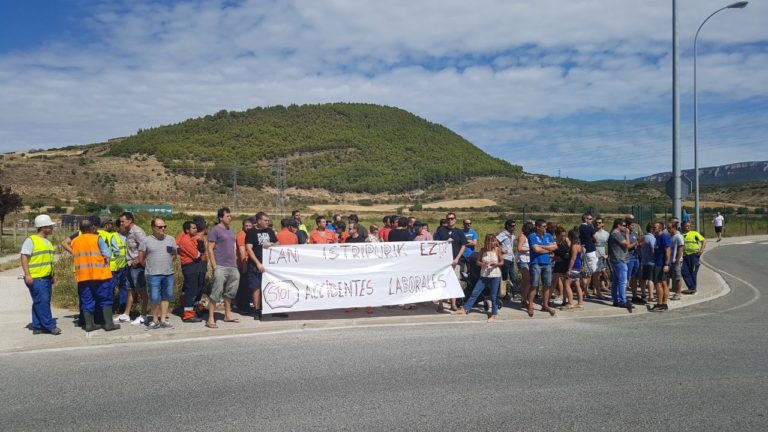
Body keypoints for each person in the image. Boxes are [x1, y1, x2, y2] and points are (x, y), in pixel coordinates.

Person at [71, 219, 119, 332]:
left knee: (87, 300)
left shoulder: (75, 241)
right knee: (105, 299)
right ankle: (108, 324)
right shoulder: (97, 238)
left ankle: (89, 325)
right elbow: (107, 253)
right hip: (100, 275)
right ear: (92, 227)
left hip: (83, 276)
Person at [20, 214, 61, 335]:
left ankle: (37, 326)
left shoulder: (47, 242)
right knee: (42, 301)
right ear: (43, 227)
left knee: (40, 301)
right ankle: (49, 326)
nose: (52, 228)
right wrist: (27, 274)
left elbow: (48, 261)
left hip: (46, 277)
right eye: (50, 226)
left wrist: (52, 275)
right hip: (36, 278)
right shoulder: (31, 240)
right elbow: (24, 257)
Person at [138, 217, 177, 329]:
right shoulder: (146, 240)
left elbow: (174, 254)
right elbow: (141, 257)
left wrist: (169, 263)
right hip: (153, 274)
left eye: (164, 226)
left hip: (168, 274)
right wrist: (149, 267)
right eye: (160, 227)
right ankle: (155, 320)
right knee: (154, 298)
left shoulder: (171, 239)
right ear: (153, 228)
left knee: (166, 297)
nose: (163, 228)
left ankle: (163, 320)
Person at [455, 234, 503, 322]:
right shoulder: (482, 250)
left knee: (493, 296)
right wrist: (483, 264)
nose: (494, 242)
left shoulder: (497, 250)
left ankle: (494, 314)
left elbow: (501, 262)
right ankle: (465, 309)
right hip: (484, 275)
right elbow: (478, 262)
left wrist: (496, 264)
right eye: (493, 241)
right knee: (475, 292)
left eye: (495, 241)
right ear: (488, 241)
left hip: (495, 275)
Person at [206, 207, 240, 328]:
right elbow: (210, 249)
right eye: (227, 216)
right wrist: (214, 266)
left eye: (230, 216)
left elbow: (234, 247)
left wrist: (235, 260)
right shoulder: (215, 230)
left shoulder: (231, 230)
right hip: (220, 265)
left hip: (232, 265)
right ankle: (210, 318)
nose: (230, 218)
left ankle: (227, 314)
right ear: (221, 217)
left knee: (230, 291)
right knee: (216, 292)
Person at [118, 212, 150, 325]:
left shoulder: (138, 231)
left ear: (130, 220)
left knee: (141, 290)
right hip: (130, 264)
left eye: (123, 221)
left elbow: (146, 247)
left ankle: (143, 315)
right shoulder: (127, 232)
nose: (121, 223)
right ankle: (126, 314)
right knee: (130, 289)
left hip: (137, 265)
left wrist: (138, 260)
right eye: (120, 221)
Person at [245, 212, 279, 320]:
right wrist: (257, 263)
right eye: (265, 220)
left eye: (268, 220)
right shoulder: (251, 232)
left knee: (269, 286)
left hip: (269, 264)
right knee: (256, 287)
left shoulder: (270, 231)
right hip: (256, 264)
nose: (267, 222)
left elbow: (278, 242)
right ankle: (257, 310)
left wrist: (271, 244)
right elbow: (249, 249)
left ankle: (269, 308)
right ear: (259, 221)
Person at [433, 212, 467, 312]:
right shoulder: (440, 231)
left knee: (454, 282)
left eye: (452, 218)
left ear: (455, 220)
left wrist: (457, 259)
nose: (450, 220)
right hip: (442, 262)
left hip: (455, 261)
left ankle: (453, 303)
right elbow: (435, 244)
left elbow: (463, 245)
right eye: (448, 218)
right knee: (442, 282)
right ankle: (440, 303)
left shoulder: (459, 232)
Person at [528, 219, 558, 317]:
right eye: (544, 226)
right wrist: (548, 248)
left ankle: (545, 305)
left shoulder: (549, 235)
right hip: (536, 263)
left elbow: (555, 247)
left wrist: (543, 247)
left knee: (547, 285)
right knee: (534, 285)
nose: (546, 228)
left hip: (547, 263)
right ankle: (530, 306)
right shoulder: (532, 236)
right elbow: (536, 250)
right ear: (538, 227)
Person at [176, 221, 204, 323]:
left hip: (194, 266)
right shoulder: (186, 241)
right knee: (190, 290)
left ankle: (190, 310)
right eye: (193, 228)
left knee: (193, 289)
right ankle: (187, 315)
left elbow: (202, 251)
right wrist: (199, 248)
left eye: (196, 228)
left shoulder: (193, 239)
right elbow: (197, 255)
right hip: (189, 267)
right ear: (187, 230)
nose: (196, 230)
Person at [607, 219, 633, 312]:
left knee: (616, 281)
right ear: (618, 225)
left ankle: (616, 299)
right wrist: (627, 234)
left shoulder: (614, 233)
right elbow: (627, 244)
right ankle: (623, 300)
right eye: (624, 225)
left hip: (616, 260)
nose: (625, 227)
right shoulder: (616, 234)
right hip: (620, 260)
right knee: (623, 282)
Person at [234, 217, 255, 312]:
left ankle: (243, 305)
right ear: (243, 227)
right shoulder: (242, 235)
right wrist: (244, 265)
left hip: (247, 263)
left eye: (250, 226)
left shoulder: (249, 234)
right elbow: (242, 251)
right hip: (243, 264)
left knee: (245, 286)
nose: (248, 227)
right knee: (243, 286)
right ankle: (242, 306)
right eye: (246, 226)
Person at [561, 228, 584, 310]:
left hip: (574, 267)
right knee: (577, 284)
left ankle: (570, 303)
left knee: (567, 284)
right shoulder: (580, 246)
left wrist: (569, 269)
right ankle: (580, 302)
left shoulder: (574, 246)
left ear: (571, 236)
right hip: (579, 267)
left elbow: (573, 259)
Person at [681, 221, 706, 295]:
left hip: (694, 255)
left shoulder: (694, 233)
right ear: (682, 227)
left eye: (689, 226)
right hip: (685, 255)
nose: (688, 227)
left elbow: (704, 241)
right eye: (686, 226)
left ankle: (692, 289)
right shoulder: (681, 235)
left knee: (693, 272)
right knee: (684, 271)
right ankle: (692, 288)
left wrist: (701, 250)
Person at [651, 222, 671, 312]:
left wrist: (666, 264)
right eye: (652, 227)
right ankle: (663, 303)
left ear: (660, 228)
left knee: (659, 284)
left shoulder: (664, 237)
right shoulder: (657, 237)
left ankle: (660, 304)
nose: (653, 228)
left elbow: (668, 250)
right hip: (658, 262)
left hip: (661, 264)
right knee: (663, 283)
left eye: (654, 227)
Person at [634, 222, 656, 304]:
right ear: (652, 229)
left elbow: (639, 248)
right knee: (650, 279)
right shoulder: (652, 238)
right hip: (651, 261)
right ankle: (651, 295)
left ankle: (643, 293)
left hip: (644, 261)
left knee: (643, 278)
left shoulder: (643, 238)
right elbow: (654, 249)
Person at [496, 219, 518, 301]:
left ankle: (514, 293)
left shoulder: (512, 235)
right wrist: (501, 248)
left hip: (511, 258)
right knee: (505, 276)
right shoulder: (503, 234)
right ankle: (503, 293)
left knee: (513, 276)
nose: (514, 227)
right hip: (505, 258)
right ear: (507, 226)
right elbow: (495, 241)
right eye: (512, 226)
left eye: (514, 226)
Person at [550, 226, 570, 308]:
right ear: (557, 235)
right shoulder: (554, 243)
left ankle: (565, 300)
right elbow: (550, 253)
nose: (563, 237)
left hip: (565, 263)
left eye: (564, 235)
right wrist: (554, 257)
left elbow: (569, 251)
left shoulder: (565, 242)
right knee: (554, 282)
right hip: (559, 263)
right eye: (562, 235)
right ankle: (547, 300)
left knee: (566, 283)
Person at [578, 214, 598, 296]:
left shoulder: (579, 228)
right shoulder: (590, 228)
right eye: (590, 219)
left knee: (584, 271)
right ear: (585, 219)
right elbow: (596, 239)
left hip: (582, 250)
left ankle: (584, 290)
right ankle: (586, 290)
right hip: (590, 250)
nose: (591, 220)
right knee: (590, 272)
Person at [667, 221, 685, 301]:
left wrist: (678, 259)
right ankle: (666, 291)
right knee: (668, 277)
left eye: (669, 228)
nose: (668, 230)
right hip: (670, 261)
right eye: (667, 228)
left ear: (674, 228)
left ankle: (678, 293)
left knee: (678, 277)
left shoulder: (678, 236)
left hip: (676, 260)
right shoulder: (670, 236)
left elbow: (681, 248)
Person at [592, 217, 610, 297]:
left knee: (602, 272)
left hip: (603, 256)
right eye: (596, 222)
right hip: (593, 255)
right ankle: (596, 290)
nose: (597, 224)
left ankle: (602, 287)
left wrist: (607, 254)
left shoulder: (606, 234)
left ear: (602, 224)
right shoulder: (592, 232)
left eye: (599, 222)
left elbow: (609, 245)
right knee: (595, 273)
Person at [517, 221, 533, 307]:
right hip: (522, 260)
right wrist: (530, 249)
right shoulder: (522, 236)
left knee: (525, 281)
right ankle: (524, 298)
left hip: (529, 260)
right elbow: (519, 248)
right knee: (527, 280)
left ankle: (524, 297)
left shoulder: (530, 236)